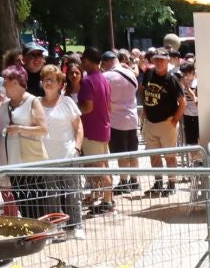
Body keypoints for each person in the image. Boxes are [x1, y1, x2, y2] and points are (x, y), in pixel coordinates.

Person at [39, 63, 85, 237]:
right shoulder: (36, 103)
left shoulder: (67, 102)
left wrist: (77, 148)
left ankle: (76, 226)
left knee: (73, 193)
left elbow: (79, 127)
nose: (48, 83)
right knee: (52, 195)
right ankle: (56, 228)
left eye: (52, 79)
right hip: (46, 158)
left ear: (60, 83)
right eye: (45, 79)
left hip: (68, 155)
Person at [0, 67, 49, 216]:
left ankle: (40, 234)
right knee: (22, 204)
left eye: (5, 81)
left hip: (30, 162)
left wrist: (20, 129)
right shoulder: (5, 104)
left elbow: (43, 129)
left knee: (36, 203)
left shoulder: (33, 101)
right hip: (12, 163)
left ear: (15, 82)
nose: (3, 85)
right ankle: (30, 235)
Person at [137, 49, 184, 194]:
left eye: (162, 60)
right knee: (154, 156)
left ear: (167, 61)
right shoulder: (149, 74)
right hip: (151, 122)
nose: (158, 62)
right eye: (156, 59)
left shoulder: (172, 79)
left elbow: (182, 103)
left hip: (166, 123)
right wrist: (145, 109)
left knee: (170, 156)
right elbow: (143, 89)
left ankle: (171, 184)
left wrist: (174, 120)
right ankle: (158, 183)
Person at [75, 49, 112, 210]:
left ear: (88, 61)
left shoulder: (87, 81)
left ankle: (108, 201)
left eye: (83, 60)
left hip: (91, 130)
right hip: (103, 128)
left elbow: (87, 107)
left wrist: (73, 108)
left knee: (98, 168)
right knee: (103, 166)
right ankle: (103, 197)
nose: (81, 63)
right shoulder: (103, 79)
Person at [104, 49, 141, 195]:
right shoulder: (130, 73)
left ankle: (124, 182)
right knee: (133, 152)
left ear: (107, 62)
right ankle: (135, 181)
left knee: (121, 154)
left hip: (116, 120)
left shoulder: (106, 76)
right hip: (132, 118)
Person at [179, 58, 199, 149]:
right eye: (183, 74)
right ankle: (194, 160)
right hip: (187, 115)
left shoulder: (197, 82)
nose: (184, 76)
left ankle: (200, 161)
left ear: (192, 72)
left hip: (198, 115)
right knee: (191, 141)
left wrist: (187, 88)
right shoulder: (180, 82)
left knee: (200, 140)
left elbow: (196, 101)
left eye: (186, 74)